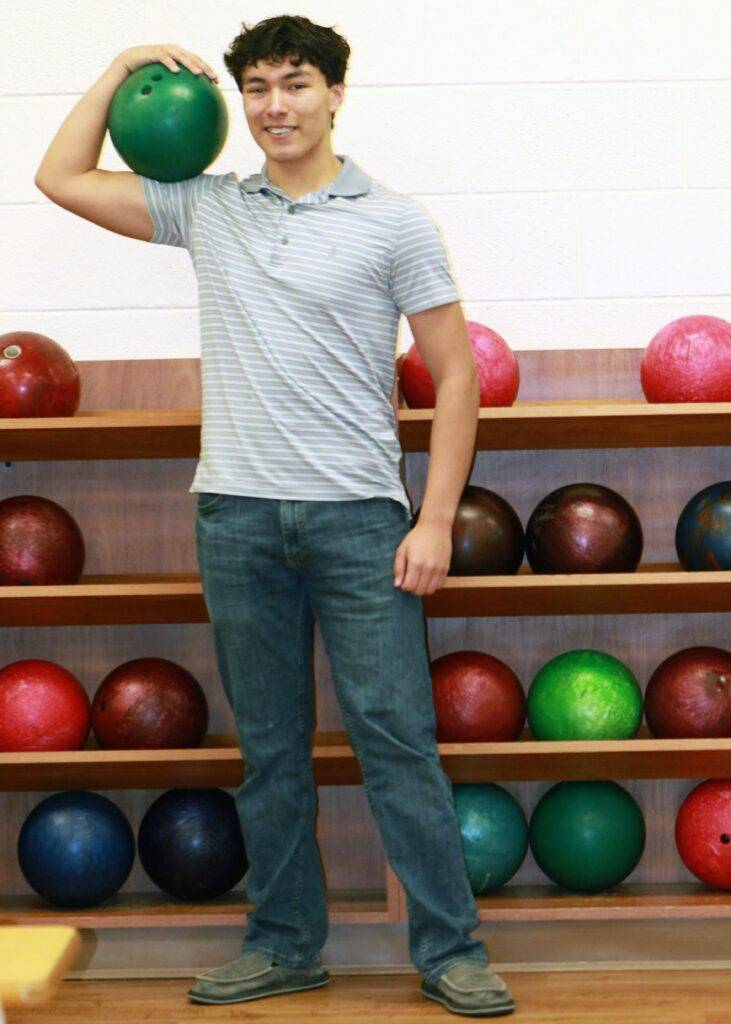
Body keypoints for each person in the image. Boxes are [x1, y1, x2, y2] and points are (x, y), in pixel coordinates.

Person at [33, 13, 515, 1018]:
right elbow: (61, 178)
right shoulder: (208, 208)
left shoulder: (393, 221)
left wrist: (430, 520)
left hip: (357, 523)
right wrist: (121, 67)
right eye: (255, 87)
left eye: (293, 83)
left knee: (395, 739)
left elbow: (458, 377)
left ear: (335, 94)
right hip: (238, 518)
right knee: (271, 751)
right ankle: (286, 942)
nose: (273, 106)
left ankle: (450, 949)